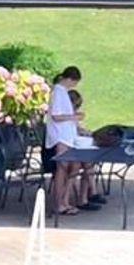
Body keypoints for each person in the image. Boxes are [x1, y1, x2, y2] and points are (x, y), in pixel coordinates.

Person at [47, 65, 90, 215]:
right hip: (61, 137)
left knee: (71, 168)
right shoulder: (58, 92)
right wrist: (74, 117)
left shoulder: (62, 92)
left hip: (67, 136)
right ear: (70, 79)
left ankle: (64, 201)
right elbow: (56, 116)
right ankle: (59, 203)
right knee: (62, 169)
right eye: (75, 83)